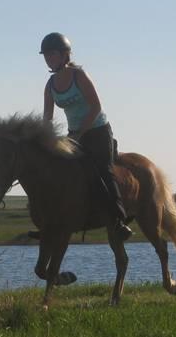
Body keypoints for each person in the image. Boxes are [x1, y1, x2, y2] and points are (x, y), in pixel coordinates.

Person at [38, 32, 132, 241]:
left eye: (52, 55)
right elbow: (47, 118)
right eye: (45, 56)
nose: (48, 59)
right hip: (74, 135)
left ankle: (118, 221)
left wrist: (81, 132)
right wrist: (46, 141)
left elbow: (96, 106)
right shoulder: (50, 85)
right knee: (57, 171)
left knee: (102, 172)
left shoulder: (79, 75)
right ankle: (52, 220)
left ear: (65, 55)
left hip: (97, 131)